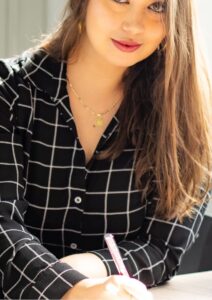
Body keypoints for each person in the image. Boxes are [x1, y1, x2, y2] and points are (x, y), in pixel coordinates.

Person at [0, 0, 211, 299]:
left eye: (157, 7)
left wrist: (86, 270)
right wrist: (72, 288)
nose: (133, 25)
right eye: (120, 0)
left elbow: (162, 248)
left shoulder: (188, 117)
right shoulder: (10, 92)